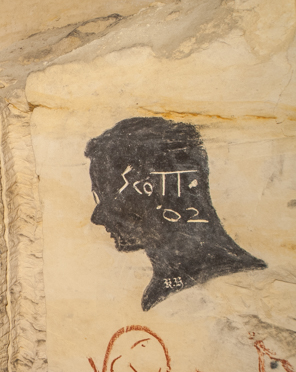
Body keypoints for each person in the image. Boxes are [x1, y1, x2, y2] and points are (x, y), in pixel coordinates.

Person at [85, 116, 266, 311]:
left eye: (108, 198)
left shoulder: (236, 291)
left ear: (156, 188)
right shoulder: (162, 293)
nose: (98, 217)